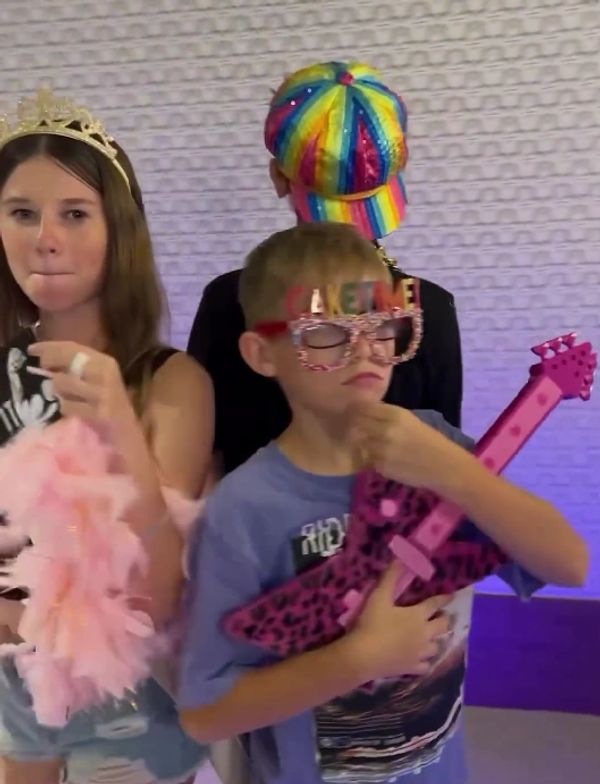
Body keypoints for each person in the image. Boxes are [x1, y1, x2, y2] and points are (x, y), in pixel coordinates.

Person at [177, 222, 588, 784]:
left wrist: (454, 472)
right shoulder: (244, 509)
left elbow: (570, 564)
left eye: (381, 325)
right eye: (325, 331)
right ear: (263, 353)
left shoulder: (440, 452)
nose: (364, 350)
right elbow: (205, 712)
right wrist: (360, 659)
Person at [0, 88, 213, 784]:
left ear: (118, 230)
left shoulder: (173, 383)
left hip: (133, 704)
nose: (46, 237)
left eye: (75, 213)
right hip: (11, 691)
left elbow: (157, 600)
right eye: (21, 213)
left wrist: (119, 428)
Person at [187, 61, 463, 478]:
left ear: (278, 178)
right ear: (395, 177)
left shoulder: (228, 301)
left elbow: (205, 462)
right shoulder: (432, 309)